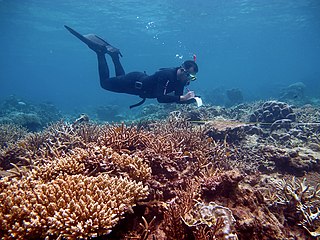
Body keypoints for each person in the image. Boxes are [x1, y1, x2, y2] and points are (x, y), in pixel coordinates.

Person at [65, 25, 199, 108]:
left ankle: (115, 56)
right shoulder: (167, 75)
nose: (188, 78)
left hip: (137, 83)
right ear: (181, 69)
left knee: (118, 78)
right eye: (188, 74)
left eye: (192, 77)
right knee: (104, 84)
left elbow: (177, 98)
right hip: (133, 82)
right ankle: (100, 53)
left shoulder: (181, 80)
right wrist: (182, 98)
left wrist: (191, 100)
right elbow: (160, 98)